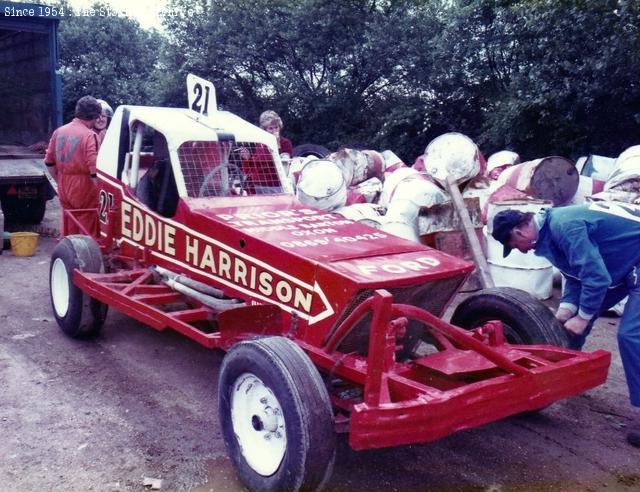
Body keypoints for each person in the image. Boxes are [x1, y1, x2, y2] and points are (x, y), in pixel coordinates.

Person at [491, 202, 640, 448]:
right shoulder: (549, 230)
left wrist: (582, 317)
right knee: (572, 321)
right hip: (627, 261)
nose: (521, 250)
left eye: (515, 245)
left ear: (518, 233)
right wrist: (568, 309)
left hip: (634, 263)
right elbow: (575, 275)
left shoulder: (565, 226)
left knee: (631, 335)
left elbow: (596, 277)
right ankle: (567, 369)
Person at [44, 95, 102, 236]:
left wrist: (59, 181)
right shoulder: (90, 135)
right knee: (86, 226)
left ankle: (68, 254)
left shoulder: (59, 131)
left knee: (69, 222)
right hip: (84, 185)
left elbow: (49, 162)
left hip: (64, 182)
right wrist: (100, 190)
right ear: (95, 116)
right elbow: (93, 167)